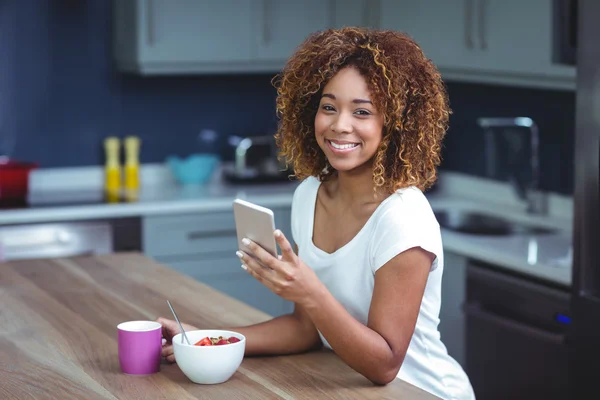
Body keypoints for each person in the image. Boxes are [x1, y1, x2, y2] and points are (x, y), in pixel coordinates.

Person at [157, 27, 475, 400]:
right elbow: (305, 328)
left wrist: (310, 292)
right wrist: (207, 340)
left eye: (362, 111)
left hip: (421, 392)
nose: (340, 124)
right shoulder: (309, 195)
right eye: (329, 106)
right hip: (347, 385)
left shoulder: (402, 218)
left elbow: (386, 364)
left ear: (394, 124)